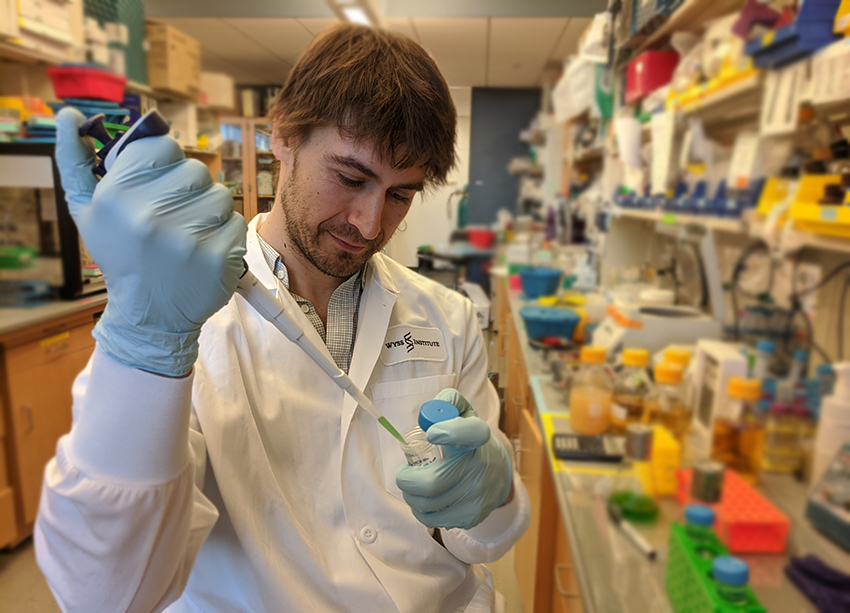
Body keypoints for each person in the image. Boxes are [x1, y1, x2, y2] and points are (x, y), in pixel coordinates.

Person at [35, 23, 530, 613]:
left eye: (400, 194)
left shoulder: (448, 318)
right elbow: (106, 594)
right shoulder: (178, 324)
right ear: (284, 137)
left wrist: (495, 498)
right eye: (350, 177)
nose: (370, 224)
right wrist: (144, 344)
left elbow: (480, 543)